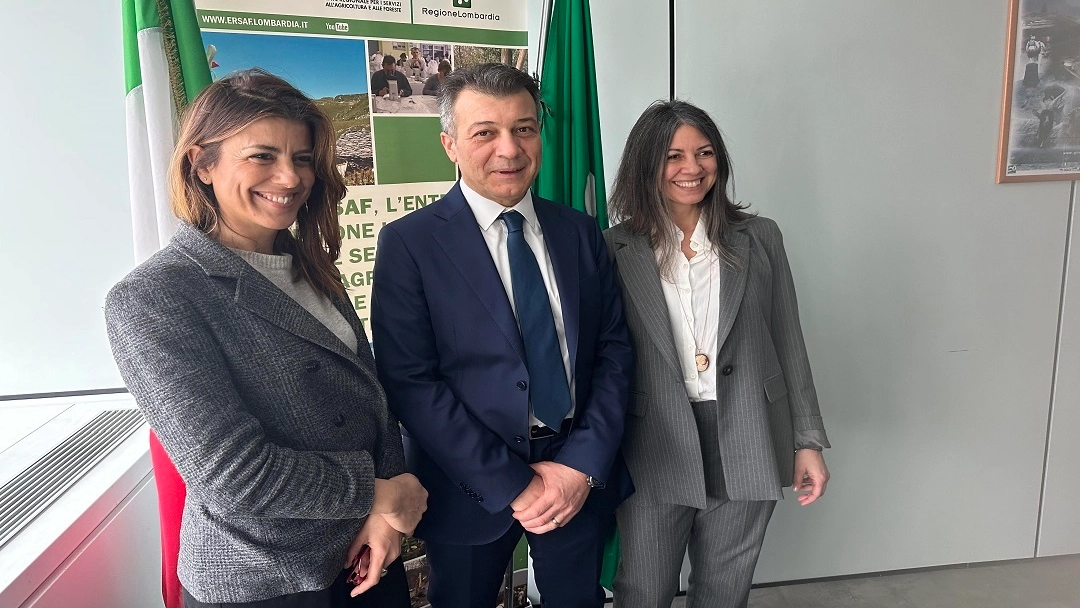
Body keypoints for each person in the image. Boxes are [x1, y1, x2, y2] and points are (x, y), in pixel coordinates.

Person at [104, 69, 427, 608]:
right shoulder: (153, 297)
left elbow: (369, 396)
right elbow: (233, 475)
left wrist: (386, 517)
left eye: (302, 158)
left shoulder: (308, 265)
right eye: (262, 156)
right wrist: (380, 492)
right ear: (202, 164)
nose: (289, 177)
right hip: (265, 583)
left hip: (364, 556)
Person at [371, 63, 635, 608]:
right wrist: (514, 484)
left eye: (524, 128)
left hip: (575, 476)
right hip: (469, 485)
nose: (509, 150)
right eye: (485, 132)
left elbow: (613, 352)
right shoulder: (410, 244)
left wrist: (580, 465)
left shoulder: (580, 231)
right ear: (450, 143)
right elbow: (411, 382)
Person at [604, 100, 831, 608]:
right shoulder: (613, 249)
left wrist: (807, 440)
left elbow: (788, 339)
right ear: (646, 165)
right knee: (643, 587)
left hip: (749, 430)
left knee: (725, 588)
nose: (692, 169)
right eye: (673, 156)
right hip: (652, 439)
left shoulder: (759, 236)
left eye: (705, 153)